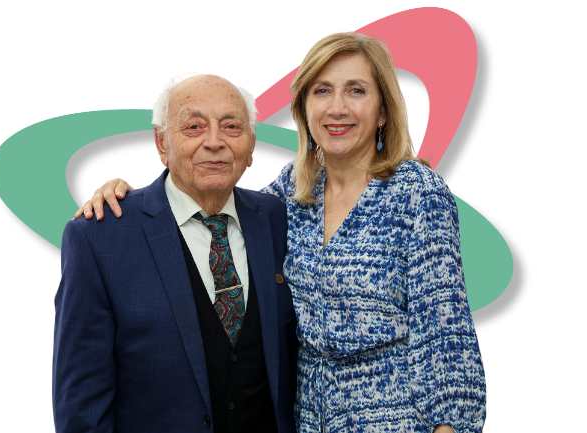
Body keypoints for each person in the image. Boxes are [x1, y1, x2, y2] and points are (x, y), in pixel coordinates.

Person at [79, 33, 486, 432]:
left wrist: (449, 426)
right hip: (306, 423)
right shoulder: (292, 192)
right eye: (322, 91)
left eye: (357, 90)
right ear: (304, 109)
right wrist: (131, 199)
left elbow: (446, 333)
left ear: (383, 111)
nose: (337, 108)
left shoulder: (417, 193)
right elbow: (212, 199)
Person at [54, 75, 298, 433]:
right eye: (194, 126)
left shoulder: (278, 219)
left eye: (231, 126)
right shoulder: (99, 236)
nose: (213, 141)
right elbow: (82, 405)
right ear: (161, 143)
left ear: (251, 145)